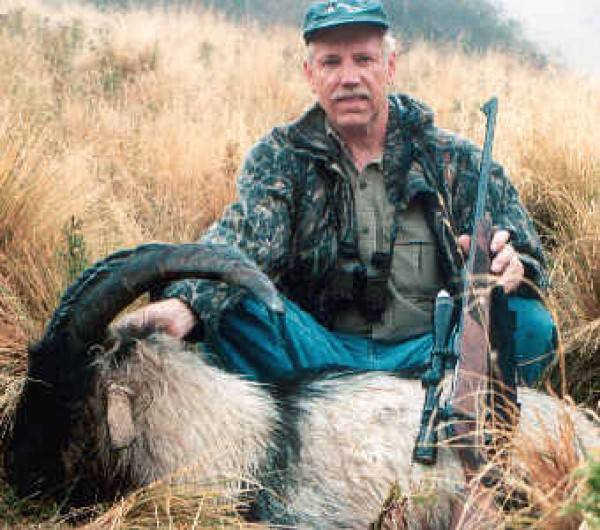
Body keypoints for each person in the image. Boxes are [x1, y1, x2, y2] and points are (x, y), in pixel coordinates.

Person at [119, 0, 556, 387]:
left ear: (390, 67)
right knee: (235, 311)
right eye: (331, 62)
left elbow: (528, 256)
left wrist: (514, 265)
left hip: (435, 353)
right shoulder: (281, 156)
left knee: (529, 325)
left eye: (363, 59)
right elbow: (241, 242)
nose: (349, 78)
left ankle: (453, 410)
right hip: (317, 359)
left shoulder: (455, 158)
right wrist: (186, 304)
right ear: (310, 74)